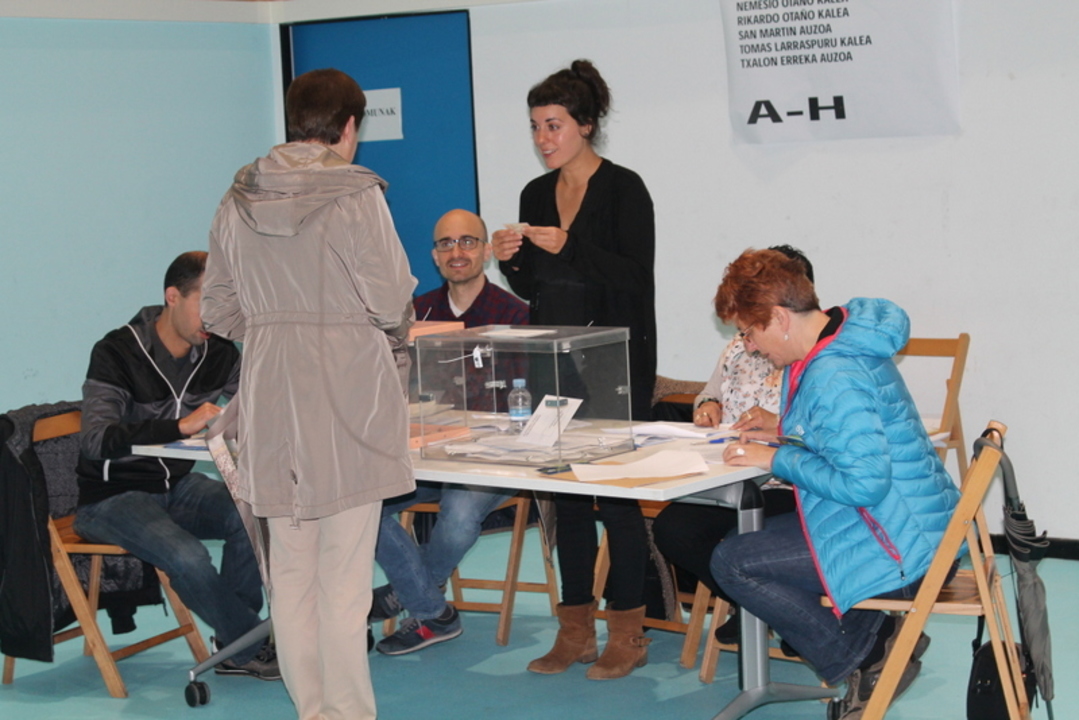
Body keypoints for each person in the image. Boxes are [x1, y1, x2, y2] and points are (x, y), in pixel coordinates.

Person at [201, 68, 416, 720]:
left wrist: (275, 330)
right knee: (344, 577)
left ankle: (314, 712)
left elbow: (216, 308)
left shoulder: (236, 198)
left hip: (271, 390)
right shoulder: (356, 194)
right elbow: (390, 299)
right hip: (348, 389)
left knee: (289, 575)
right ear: (350, 126)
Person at [707, 248, 960, 720]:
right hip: (918, 529)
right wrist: (784, 428)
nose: (752, 347)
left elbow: (864, 484)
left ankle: (872, 653)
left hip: (903, 549)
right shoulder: (841, 340)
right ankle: (875, 639)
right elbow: (847, 435)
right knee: (754, 544)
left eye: (750, 332)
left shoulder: (832, 372)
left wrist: (777, 458)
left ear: (779, 318)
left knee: (734, 562)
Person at [491, 59, 655, 680]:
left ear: (585, 125)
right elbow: (537, 287)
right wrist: (512, 261)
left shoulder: (625, 188)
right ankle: (576, 629)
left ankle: (629, 633)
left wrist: (574, 245)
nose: (543, 138)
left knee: (617, 501)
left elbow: (636, 279)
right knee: (566, 497)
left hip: (615, 365)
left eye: (553, 125)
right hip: (553, 364)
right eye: (535, 127)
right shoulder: (535, 194)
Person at [74, 251, 277, 680]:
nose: (217, 317)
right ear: (173, 296)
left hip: (177, 487)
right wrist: (178, 426)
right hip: (111, 497)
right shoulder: (117, 351)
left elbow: (259, 403)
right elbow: (95, 440)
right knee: (189, 557)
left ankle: (235, 644)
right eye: (207, 301)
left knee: (253, 512)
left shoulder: (218, 351)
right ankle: (249, 644)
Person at [372, 208, 528, 655]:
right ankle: (431, 607)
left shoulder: (515, 314)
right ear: (434, 256)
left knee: (458, 515)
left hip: (489, 459)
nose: (456, 252)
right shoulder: (415, 313)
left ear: (486, 251)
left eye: (467, 241)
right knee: (362, 504)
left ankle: (410, 593)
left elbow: (526, 399)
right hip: (423, 453)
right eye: (446, 243)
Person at [652, 245, 811, 640]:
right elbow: (710, 392)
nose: (749, 340)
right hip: (727, 472)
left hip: (784, 480)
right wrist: (707, 405)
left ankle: (781, 611)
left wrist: (779, 424)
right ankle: (765, 607)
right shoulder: (739, 346)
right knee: (673, 529)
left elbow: (822, 432)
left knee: (744, 542)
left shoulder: (810, 355)